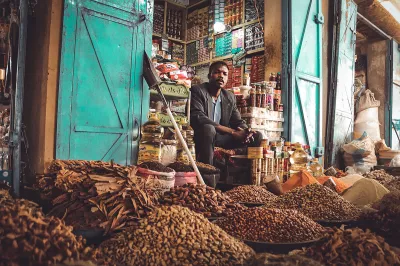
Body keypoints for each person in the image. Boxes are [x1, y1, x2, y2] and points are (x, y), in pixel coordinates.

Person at [190, 61, 263, 166]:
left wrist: (246, 131)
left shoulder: (229, 97)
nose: (221, 76)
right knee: (208, 129)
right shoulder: (198, 90)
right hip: (204, 136)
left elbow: (237, 121)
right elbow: (199, 117)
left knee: (257, 136)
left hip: (222, 138)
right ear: (209, 75)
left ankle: (248, 174)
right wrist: (232, 132)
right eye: (217, 72)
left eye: (225, 74)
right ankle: (208, 174)